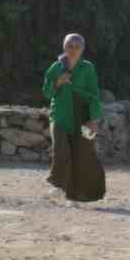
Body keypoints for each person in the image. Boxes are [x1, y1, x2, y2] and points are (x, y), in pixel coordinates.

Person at [43, 33, 106, 203]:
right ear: (64, 47)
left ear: (82, 49)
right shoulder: (56, 67)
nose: (73, 49)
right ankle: (58, 186)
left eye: (77, 46)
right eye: (69, 46)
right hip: (59, 115)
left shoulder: (88, 68)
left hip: (82, 116)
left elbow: (94, 95)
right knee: (61, 150)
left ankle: (73, 196)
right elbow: (46, 92)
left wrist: (94, 119)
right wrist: (58, 83)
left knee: (81, 155)